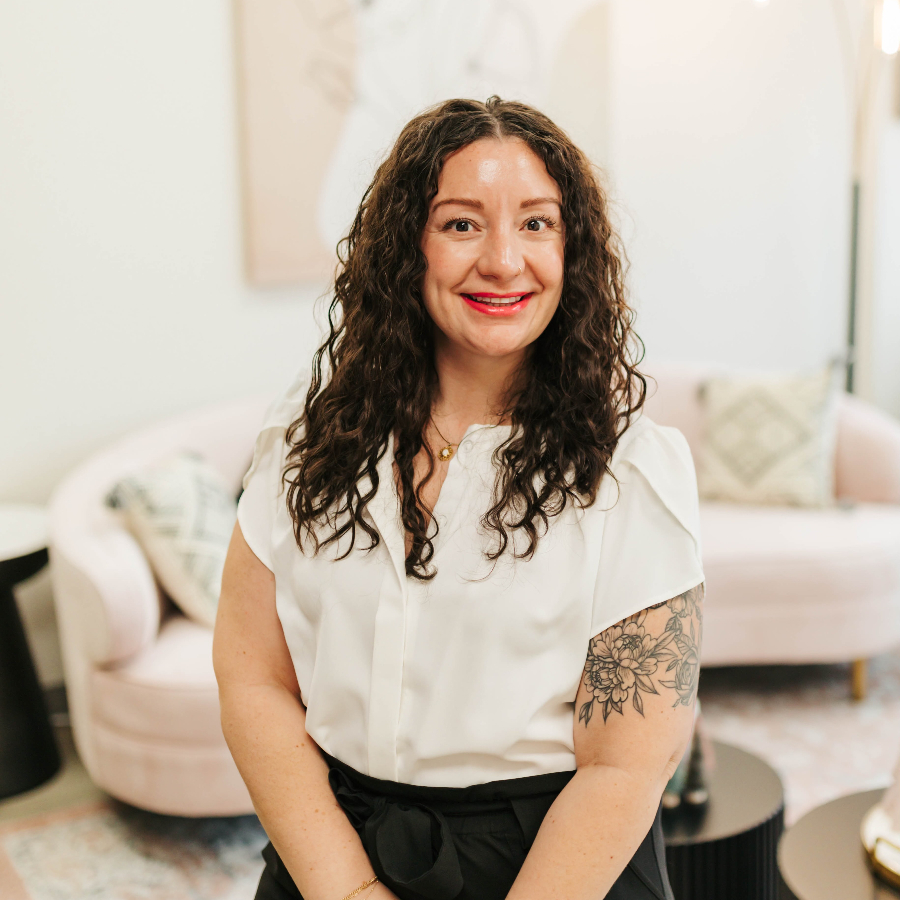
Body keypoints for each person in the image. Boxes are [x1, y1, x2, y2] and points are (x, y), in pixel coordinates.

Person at [213, 97, 705, 900]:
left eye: (538, 224)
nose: (505, 260)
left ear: (572, 249)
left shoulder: (632, 470)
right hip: (330, 854)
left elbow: (628, 764)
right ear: (408, 247)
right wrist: (346, 890)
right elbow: (251, 679)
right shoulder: (304, 438)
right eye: (462, 224)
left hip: (553, 866)